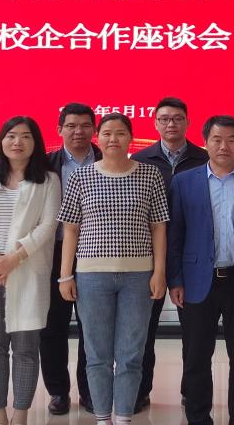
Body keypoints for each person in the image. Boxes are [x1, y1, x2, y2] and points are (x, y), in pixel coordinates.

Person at [58, 113, 169, 425]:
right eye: (107, 133)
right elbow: (71, 229)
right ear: (98, 136)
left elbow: (159, 227)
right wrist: (66, 275)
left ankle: (123, 417)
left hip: (139, 277)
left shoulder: (149, 175)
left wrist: (159, 271)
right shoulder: (81, 177)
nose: (113, 139)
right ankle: (102, 417)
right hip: (91, 276)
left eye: (120, 133)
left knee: (131, 354)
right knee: (97, 355)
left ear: (130, 137)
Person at [169, 115, 234, 425]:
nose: (224, 146)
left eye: (231, 140)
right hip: (196, 282)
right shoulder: (184, 181)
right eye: (216, 139)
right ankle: (198, 418)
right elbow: (175, 235)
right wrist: (175, 279)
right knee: (196, 357)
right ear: (205, 142)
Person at [0, 117, 62, 425]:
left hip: (27, 272)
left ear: (36, 143)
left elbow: (48, 225)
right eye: (11, 136)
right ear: (1, 141)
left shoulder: (48, 180)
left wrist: (13, 259)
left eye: (25, 136)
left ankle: (20, 414)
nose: (17, 142)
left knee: (26, 350)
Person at [130, 96, 208, 412]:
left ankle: (193, 392)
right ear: (155, 123)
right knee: (142, 330)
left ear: (188, 122)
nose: (170, 124)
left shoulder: (205, 159)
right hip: (148, 255)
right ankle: (139, 391)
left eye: (177, 118)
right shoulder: (140, 160)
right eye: (164, 119)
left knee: (196, 332)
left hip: (194, 255)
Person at [41, 103, 100, 415]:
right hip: (52, 254)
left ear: (94, 129)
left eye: (85, 125)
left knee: (93, 327)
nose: (78, 131)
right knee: (53, 327)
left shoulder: (108, 160)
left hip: (95, 253)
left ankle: (90, 391)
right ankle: (58, 391)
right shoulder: (43, 164)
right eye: (71, 125)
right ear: (59, 129)